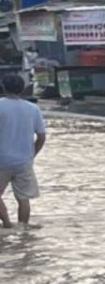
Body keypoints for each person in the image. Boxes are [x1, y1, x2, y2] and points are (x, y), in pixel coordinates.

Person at [0, 74, 46, 229]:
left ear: (4, 87)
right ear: (22, 89)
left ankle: (6, 224)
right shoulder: (32, 109)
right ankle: (23, 228)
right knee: (23, 198)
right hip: (24, 161)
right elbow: (41, 136)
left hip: (1, 160)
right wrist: (32, 154)